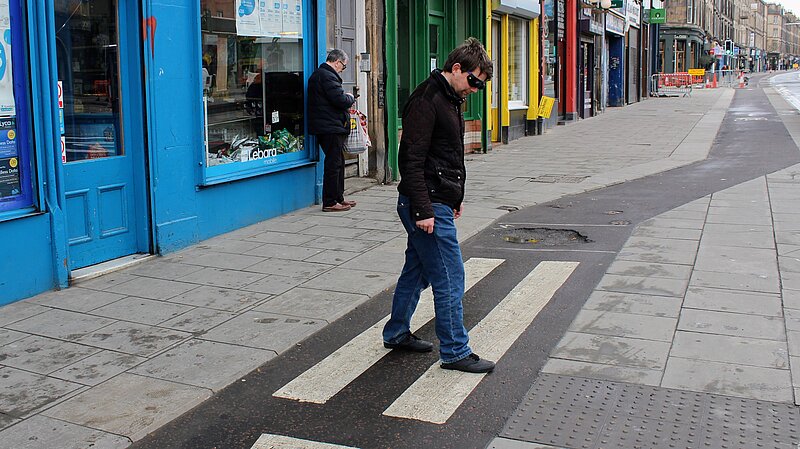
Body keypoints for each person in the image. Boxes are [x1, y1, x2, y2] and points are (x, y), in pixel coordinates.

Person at [382, 38, 495, 373]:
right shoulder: (427, 100)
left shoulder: (449, 97)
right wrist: (425, 210)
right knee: (450, 276)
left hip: (437, 199)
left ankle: (397, 332)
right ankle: (455, 351)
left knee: (416, 272)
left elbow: (447, 155)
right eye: (474, 81)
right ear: (456, 69)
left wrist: (453, 198)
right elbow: (410, 159)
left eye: (481, 85)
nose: (475, 88)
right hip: (425, 202)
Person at [308, 49, 357, 212]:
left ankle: (338, 198)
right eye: (343, 67)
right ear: (337, 62)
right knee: (333, 163)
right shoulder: (326, 76)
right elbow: (340, 100)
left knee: (338, 162)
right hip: (330, 127)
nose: (342, 69)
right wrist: (350, 97)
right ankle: (329, 202)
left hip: (330, 125)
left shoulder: (322, 75)